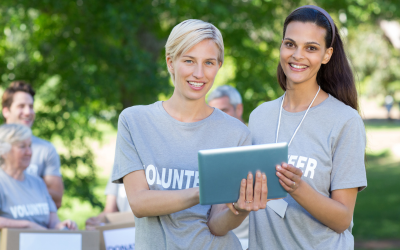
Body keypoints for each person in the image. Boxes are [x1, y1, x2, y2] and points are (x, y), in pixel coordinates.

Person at [111, 19, 268, 250]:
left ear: (219, 66)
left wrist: (240, 209)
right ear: (170, 62)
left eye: (209, 63)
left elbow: (217, 225)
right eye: (189, 61)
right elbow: (139, 203)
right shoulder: (134, 121)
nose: (199, 73)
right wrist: (204, 190)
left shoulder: (236, 133)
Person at [248, 5, 367, 250]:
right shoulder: (259, 116)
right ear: (281, 46)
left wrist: (298, 188)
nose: (297, 55)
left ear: (326, 55)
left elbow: (342, 219)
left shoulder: (345, 120)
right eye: (290, 44)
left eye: (311, 48)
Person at [0, 124, 76, 230]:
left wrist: (62, 226)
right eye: (22, 147)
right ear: (3, 152)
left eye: (30, 146)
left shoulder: (38, 182)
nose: (29, 152)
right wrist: (27, 225)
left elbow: (53, 222)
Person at [2, 81, 64, 208]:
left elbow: (57, 199)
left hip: (37, 224)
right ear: (6, 111)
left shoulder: (45, 149)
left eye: (31, 106)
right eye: (21, 106)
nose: (28, 112)